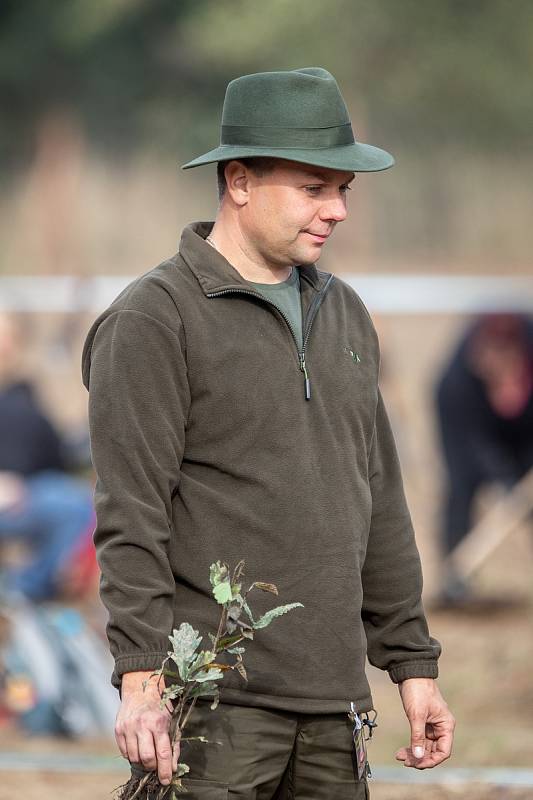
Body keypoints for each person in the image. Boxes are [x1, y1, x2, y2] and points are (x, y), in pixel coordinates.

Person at [82, 68, 455, 798]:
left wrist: (411, 664)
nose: (338, 209)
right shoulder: (155, 319)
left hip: (333, 704)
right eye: (314, 188)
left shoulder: (344, 312)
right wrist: (140, 677)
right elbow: (132, 514)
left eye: (343, 189)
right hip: (214, 705)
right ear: (240, 180)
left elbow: (376, 497)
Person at [435, 312, 533, 605]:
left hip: (527, 426)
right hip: (469, 427)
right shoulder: (457, 384)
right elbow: (470, 443)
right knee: (461, 487)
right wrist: (504, 479)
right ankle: (455, 578)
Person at [0, 313, 94, 602]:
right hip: (17, 494)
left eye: (7, 340)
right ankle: (21, 589)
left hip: (30, 489)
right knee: (71, 506)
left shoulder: (22, 394)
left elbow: (57, 450)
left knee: (77, 505)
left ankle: (21, 588)